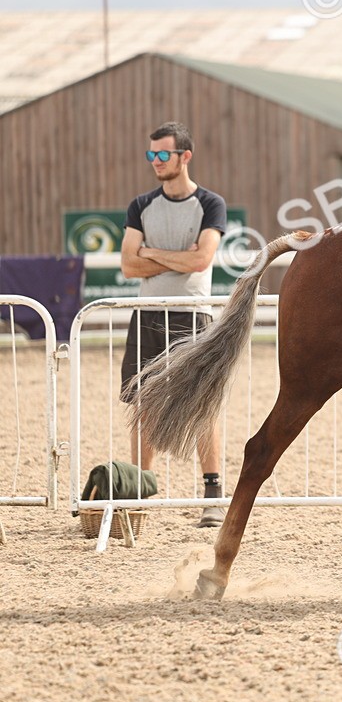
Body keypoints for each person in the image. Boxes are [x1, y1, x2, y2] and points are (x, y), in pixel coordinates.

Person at [119, 121, 227, 528]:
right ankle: (139, 490)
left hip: (193, 314)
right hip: (148, 314)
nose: (155, 162)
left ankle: (213, 494)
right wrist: (175, 255)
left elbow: (201, 260)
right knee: (142, 405)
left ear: (185, 156)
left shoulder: (211, 204)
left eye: (163, 154)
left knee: (202, 406)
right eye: (151, 155)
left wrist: (152, 252)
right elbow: (129, 265)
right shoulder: (141, 205)